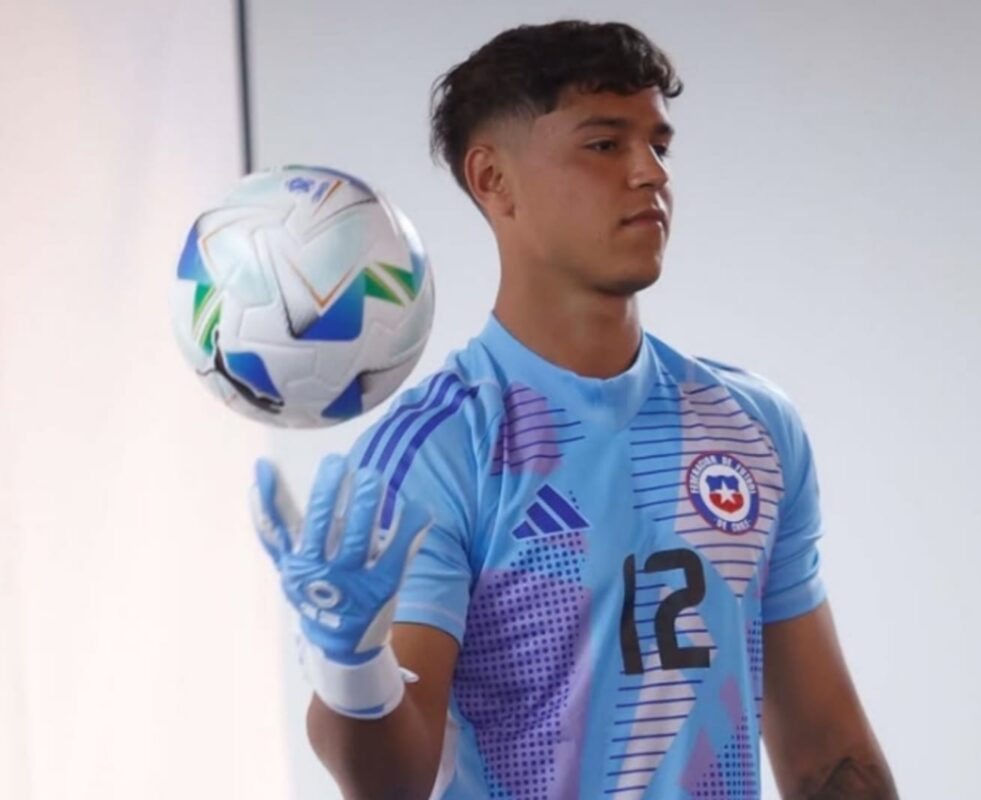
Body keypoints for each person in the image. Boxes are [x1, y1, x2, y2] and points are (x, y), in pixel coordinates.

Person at [252, 19, 898, 800]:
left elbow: (827, 753)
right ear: (492, 179)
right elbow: (395, 783)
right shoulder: (437, 453)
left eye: (659, 145)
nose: (649, 173)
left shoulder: (753, 428)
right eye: (605, 144)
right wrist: (351, 666)